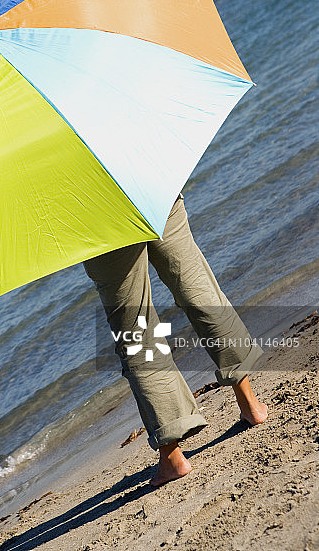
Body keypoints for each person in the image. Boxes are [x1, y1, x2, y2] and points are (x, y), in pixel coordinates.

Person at [83, 192, 268, 487]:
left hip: (98, 214)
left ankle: (172, 457)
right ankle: (251, 404)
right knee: (197, 288)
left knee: (134, 328)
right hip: (152, 184)